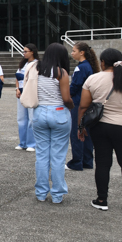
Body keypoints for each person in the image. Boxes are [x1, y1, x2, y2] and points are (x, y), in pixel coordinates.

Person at [79, 49, 122, 212]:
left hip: (99, 128)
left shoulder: (92, 79)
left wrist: (80, 127)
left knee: (102, 163)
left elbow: (83, 106)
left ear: (103, 62)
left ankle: (101, 200)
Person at [32, 43, 73, 204]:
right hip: (58, 112)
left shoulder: (37, 70)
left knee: (42, 155)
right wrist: (72, 106)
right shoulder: (61, 72)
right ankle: (57, 194)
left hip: (39, 112)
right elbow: (66, 98)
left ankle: (41, 193)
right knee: (58, 156)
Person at [67, 42, 99, 171]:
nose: (72, 53)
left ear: (82, 53)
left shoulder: (81, 67)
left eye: (74, 51)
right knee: (86, 132)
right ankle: (87, 161)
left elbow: (75, 85)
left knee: (77, 132)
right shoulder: (88, 66)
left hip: (78, 103)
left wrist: (66, 96)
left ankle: (77, 162)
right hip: (87, 103)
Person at [14, 44, 39, 152]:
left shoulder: (37, 64)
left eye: (26, 51)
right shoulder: (23, 64)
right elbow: (17, 77)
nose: (24, 53)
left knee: (31, 118)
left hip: (30, 92)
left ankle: (31, 143)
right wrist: (17, 89)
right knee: (21, 118)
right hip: (21, 92)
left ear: (32, 52)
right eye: (23, 51)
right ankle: (22, 142)